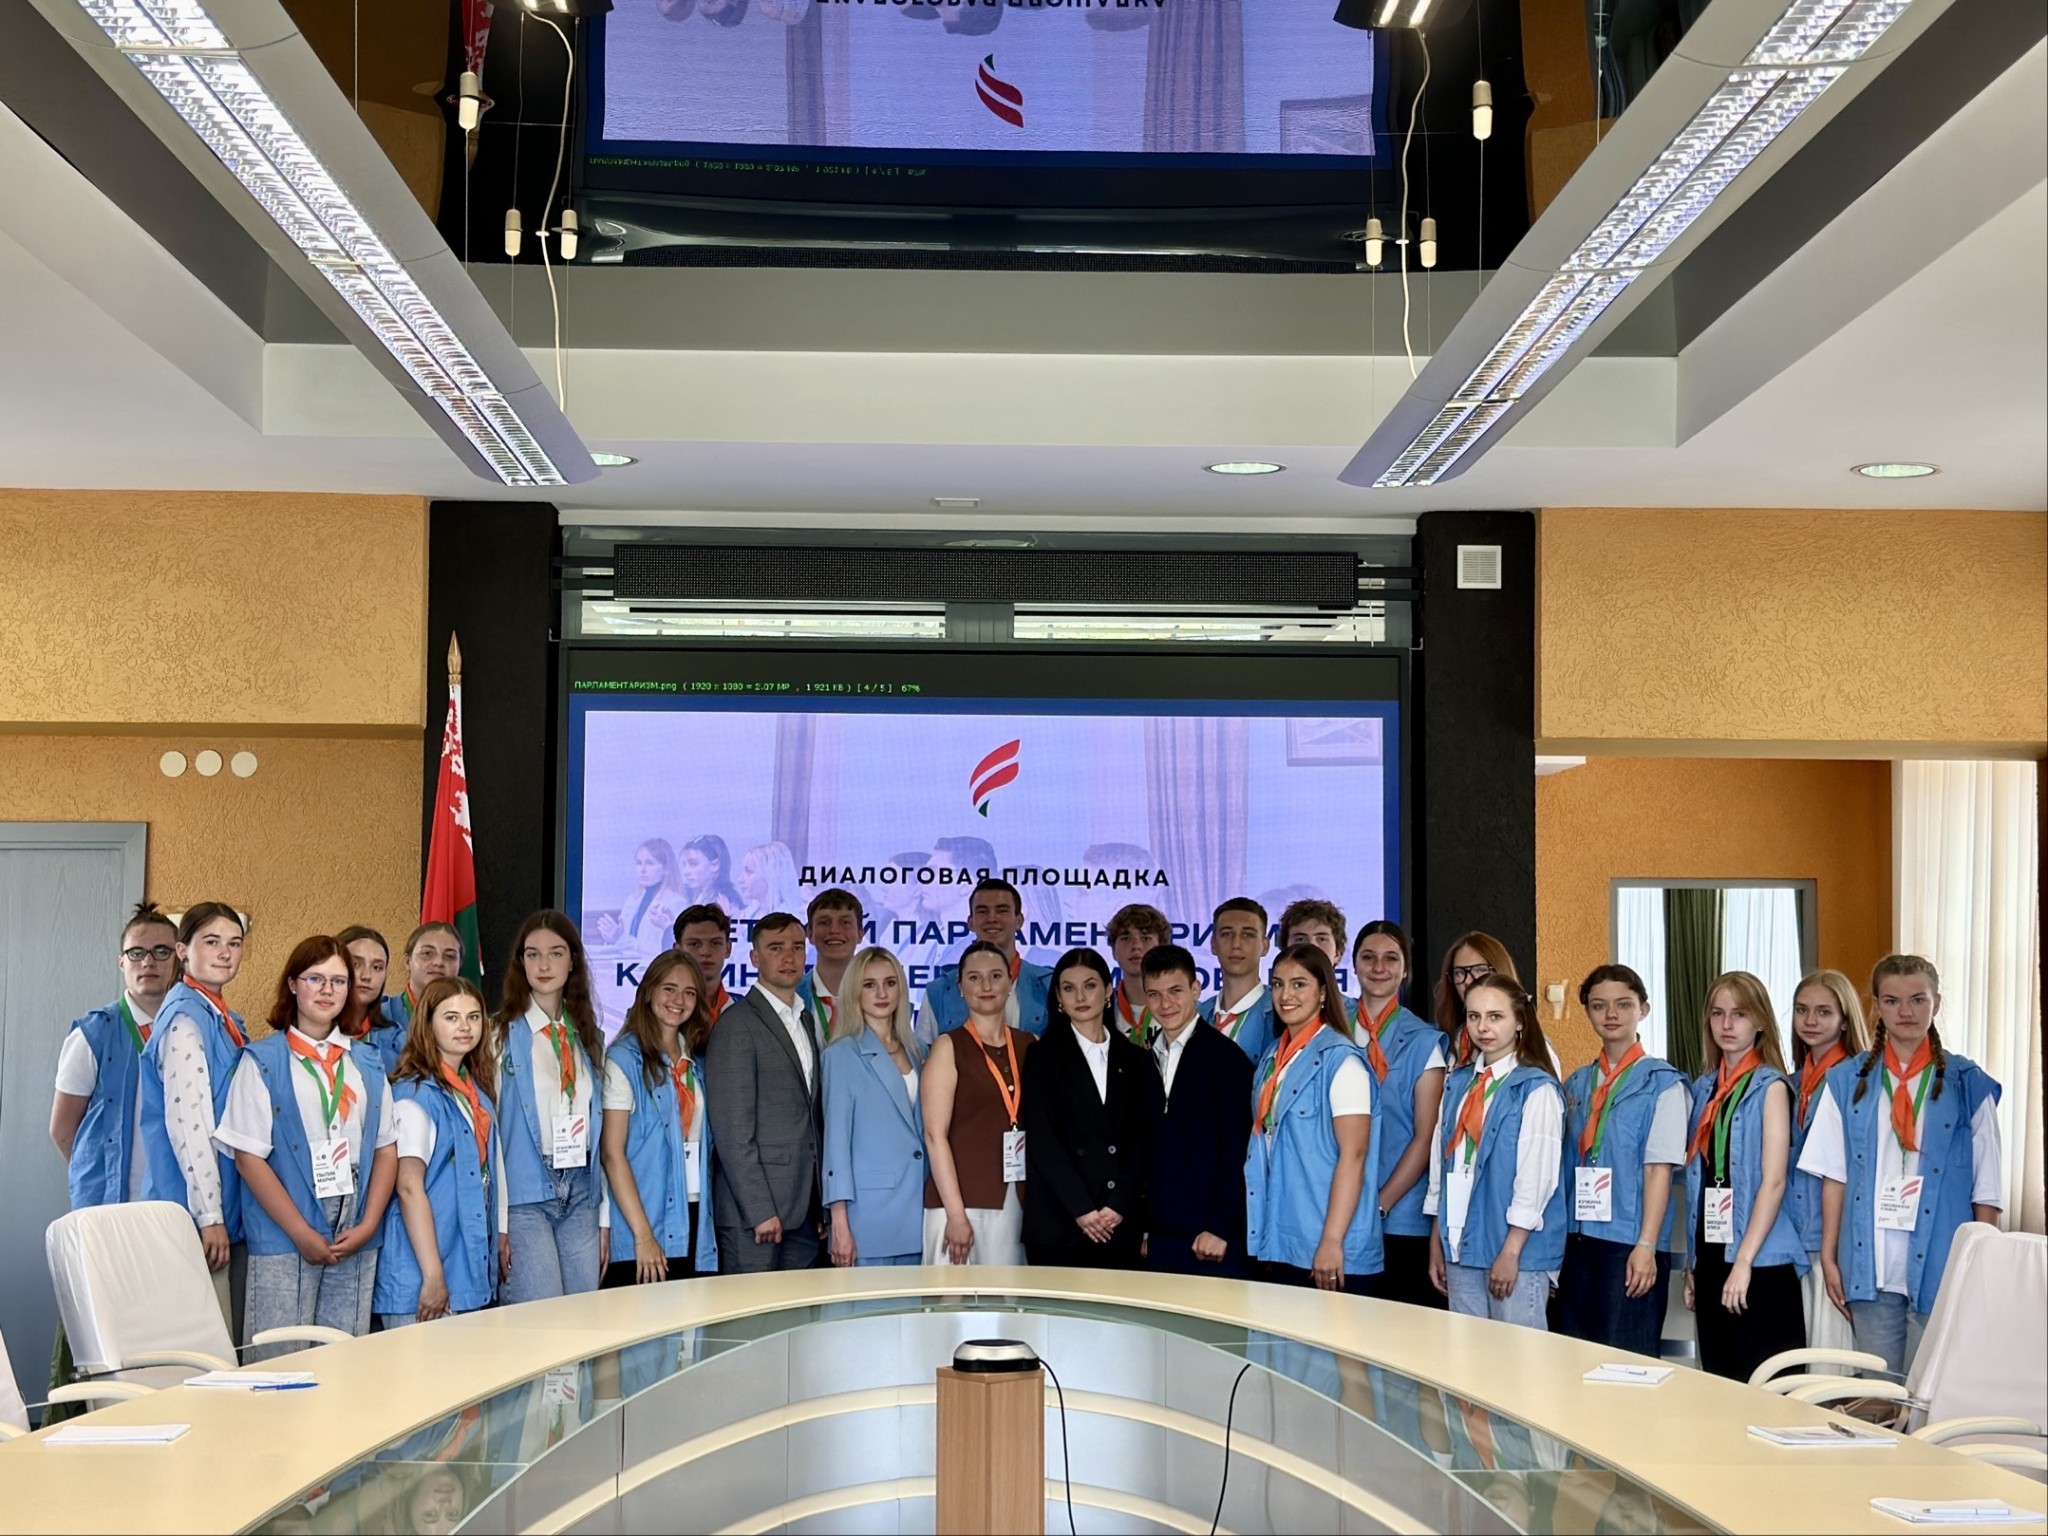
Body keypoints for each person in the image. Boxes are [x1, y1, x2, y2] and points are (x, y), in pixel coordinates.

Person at [1801, 955, 2003, 1376]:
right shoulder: (1847, 1081)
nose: (1905, 1012)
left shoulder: (1967, 1083)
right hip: (1870, 1264)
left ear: (1936, 1003)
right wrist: (1831, 1255)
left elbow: (1987, 1186)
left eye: (1918, 1000)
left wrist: (1982, 1262)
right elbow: (1834, 1176)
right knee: (1879, 1390)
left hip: (1945, 1265)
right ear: (1876, 1006)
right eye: (1892, 1001)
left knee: (1932, 1392)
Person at [216, 936, 397, 1357]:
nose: (327, 990)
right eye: (316, 978)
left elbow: (386, 1147)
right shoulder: (262, 1061)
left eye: (339, 980)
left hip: (355, 1223)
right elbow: (248, 1159)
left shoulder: (366, 1061)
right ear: (293, 984)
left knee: (344, 1358)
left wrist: (369, 1223)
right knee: (281, 1359)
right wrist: (301, 1233)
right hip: (287, 1223)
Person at [1556, 965, 1689, 1355]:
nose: (1611, 1014)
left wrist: (1646, 1244)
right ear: (1587, 1012)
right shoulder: (1576, 1084)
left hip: (1628, 1245)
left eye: (1623, 1004)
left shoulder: (1663, 1083)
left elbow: (1658, 1170)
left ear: (1643, 1009)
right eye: (1599, 1005)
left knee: (1625, 1361)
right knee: (1573, 1358)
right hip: (1577, 1241)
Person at [1682, 971, 1807, 1382]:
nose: (1727, 1024)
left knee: (1764, 1387)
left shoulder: (1771, 1087)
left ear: (1761, 1022)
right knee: (1719, 1382)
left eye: (1739, 1014)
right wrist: (1693, 1265)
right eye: (1718, 1014)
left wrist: (1744, 1262)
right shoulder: (1704, 1089)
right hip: (1712, 1253)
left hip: (1758, 1258)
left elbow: (1774, 1181)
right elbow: (1700, 1182)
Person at [1425, 975, 1565, 1329]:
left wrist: (1512, 1250)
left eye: (1495, 1016)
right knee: (1465, 1357)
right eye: (1474, 1016)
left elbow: (1536, 1177)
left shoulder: (1536, 1088)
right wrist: (1438, 1240)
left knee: (1518, 1358)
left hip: (1513, 1251)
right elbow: (1442, 1163)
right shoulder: (1459, 1082)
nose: (1483, 1027)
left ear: (1519, 1021)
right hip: (1461, 1244)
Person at [138, 900, 251, 1333]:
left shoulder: (220, 1015)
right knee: (202, 1346)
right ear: (183, 951)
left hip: (219, 1209)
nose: (225, 952)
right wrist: (210, 1217)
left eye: (234, 943)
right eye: (212, 941)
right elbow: (189, 1125)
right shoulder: (185, 1021)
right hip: (192, 1217)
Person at [1245, 944, 1382, 1294]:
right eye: (1278, 984)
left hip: (1328, 1246)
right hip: (1283, 1238)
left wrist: (1332, 1241)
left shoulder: (1342, 1061)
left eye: (1299, 984)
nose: (1285, 995)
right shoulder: (1273, 1057)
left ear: (1323, 992)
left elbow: (1354, 1155)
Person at [374, 978, 505, 1327]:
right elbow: (408, 1187)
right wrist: (433, 1276)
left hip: (461, 1271)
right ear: (427, 1024)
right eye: (451, 1017)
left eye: (473, 1017)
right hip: (422, 1277)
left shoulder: (474, 1091)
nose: (465, 1027)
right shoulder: (416, 1095)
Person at [1021, 948, 1159, 1270]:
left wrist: (1119, 1206)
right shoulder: (1041, 1056)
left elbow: (1143, 1141)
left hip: (1119, 1224)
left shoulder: (1137, 1059)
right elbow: (1043, 1141)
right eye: (1069, 988)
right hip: (1060, 1226)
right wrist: (1082, 1210)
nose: (1080, 997)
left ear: (1108, 990)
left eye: (1090, 985)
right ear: (1058, 997)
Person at [495, 912, 607, 1302]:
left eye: (556, 953)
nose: (544, 965)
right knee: (542, 1316)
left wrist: (605, 1216)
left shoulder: (589, 1037)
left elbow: (602, 1132)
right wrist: (499, 1221)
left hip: (581, 1190)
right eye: (533, 954)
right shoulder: (497, 1036)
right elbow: (490, 1136)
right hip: (525, 1193)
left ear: (572, 960)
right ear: (520, 962)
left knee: (582, 1315)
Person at [704, 912, 824, 1272]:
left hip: (804, 1209)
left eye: (797, 947)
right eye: (776, 948)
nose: (789, 957)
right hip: (755, 1215)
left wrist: (819, 1202)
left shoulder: (804, 1018)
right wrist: (758, 1210)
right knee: (752, 1310)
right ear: (755, 958)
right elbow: (732, 1130)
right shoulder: (736, 1024)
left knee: (802, 1308)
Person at [599, 951, 718, 1286]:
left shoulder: (697, 1060)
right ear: (649, 991)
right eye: (669, 989)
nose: (678, 1001)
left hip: (694, 1213)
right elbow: (612, 1153)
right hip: (646, 1219)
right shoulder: (624, 1060)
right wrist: (643, 1235)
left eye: (689, 992)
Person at [51, 901, 179, 1209]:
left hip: (177, 1205)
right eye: (136, 952)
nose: (148, 962)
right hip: (109, 1207)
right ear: (121, 962)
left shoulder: (194, 1029)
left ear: (180, 958)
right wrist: (97, 1178)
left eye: (161, 951)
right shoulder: (92, 1034)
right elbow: (62, 1130)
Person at [1352, 921, 1449, 1309]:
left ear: (1405, 970)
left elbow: (1425, 1137)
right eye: (1368, 957)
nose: (1379, 967)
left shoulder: (1424, 1040)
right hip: (1338, 1211)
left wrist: (1379, 1205)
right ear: (1353, 964)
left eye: (1391, 958)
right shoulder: (1332, 1029)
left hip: (1399, 1217)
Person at [1139, 945, 1253, 1276]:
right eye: (1155, 994)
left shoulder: (1227, 1060)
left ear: (1196, 990)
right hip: (1159, 1237)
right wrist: (1145, 1228)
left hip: (1210, 1239)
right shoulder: (1145, 1060)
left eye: (1175, 991)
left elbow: (1238, 1151)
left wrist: (1220, 1226)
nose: (1165, 1004)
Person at [921, 941, 1031, 1266]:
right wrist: (956, 1215)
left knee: (1010, 1294)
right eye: (974, 977)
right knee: (954, 1297)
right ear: (960, 986)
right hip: (960, 1205)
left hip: (1016, 1200)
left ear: (1010, 983)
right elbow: (934, 1136)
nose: (986, 986)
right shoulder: (947, 1046)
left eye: (996, 976)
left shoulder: (1030, 1045)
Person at [821, 947, 927, 1268]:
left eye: (890, 983)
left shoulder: (919, 1050)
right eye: (870, 985)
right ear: (855, 991)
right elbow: (836, 1144)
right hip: (868, 1217)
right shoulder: (841, 1054)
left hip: (922, 1210)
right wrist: (839, 1222)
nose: (881, 993)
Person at [1785, 969, 1871, 1358]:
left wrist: (1832, 1247)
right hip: (1792, 1237)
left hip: (1836, 1237)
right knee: (1797, 1356)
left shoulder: (1858, 1080)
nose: (1810, 1020)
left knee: (1832, 1359)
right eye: (1802, 1010)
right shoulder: (1788, 1083)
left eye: (1824, 1012)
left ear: (1845, 1020)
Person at [916, 877, 1054, 1045]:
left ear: (1019, 921)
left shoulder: (1050, 987)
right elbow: (924, 1055)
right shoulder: (939, 991)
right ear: (971, 922)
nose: (992, 918)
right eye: (982, 911)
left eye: (1002, 911)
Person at [370, 923, 465, 1067]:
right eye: (427, 953)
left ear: (460, 965)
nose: (438, 962)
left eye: (450, 956)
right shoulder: (379, 1015)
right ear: (407, 961)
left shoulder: (470, 1022)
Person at [1199, 896, 1275, 1065]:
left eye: (1248, 935)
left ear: (1265, 946)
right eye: (1227, 934)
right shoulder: (1195, 1016)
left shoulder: (1281, 1015)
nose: (1236, 944)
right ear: (1213, 944)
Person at [1432, 931, 1520, 1065]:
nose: (1468, 981)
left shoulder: (1532, 1048)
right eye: (1459, 973)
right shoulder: (1448, 1038)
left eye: (1479, 970)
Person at [592, 839, 685, 957]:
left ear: (666, 869)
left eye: (650, 863)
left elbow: (665, 949)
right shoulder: (632, 901)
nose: (643, 870)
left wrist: (621, 939)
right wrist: (613, 938)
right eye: (639, 863)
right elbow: (625, 944)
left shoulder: (676, 903)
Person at [797, 888, 865, 1048]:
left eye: (845, 922)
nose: (834, 930)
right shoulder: (792, 997)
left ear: (860, 934)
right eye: (824, 922)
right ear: (810, 934)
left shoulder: (883, 998)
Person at [1107, 903, 1170, 1046]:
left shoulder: (1188, 1010)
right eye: (1125, 938)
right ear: (1113, 951)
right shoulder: (1099, 1011)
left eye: (1145, 938)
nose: (1136, 946)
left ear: (1162, 948)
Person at [336, 926, 395, 1073]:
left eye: (376, 967)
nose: (366, 976)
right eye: (356, 964)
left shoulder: (396, 1040)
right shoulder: (310, 1030)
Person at [672, 905, 735, 1023]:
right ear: (678, 950)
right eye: (694, 944)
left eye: (715, 943)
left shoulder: (747, 1012)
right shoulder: (659, 1011)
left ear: (728, 948)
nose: (705, 952)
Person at [735, 841, 800, 921]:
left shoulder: (788, 919)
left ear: (770, 875)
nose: (740, 879)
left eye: (748, 871)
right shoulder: (747, 914)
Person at [680, 834, 742, 916]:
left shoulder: (725, 904)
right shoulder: (685, 898)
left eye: (693, 864)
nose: (685, 872)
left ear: (715, 866)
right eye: (684, 864)